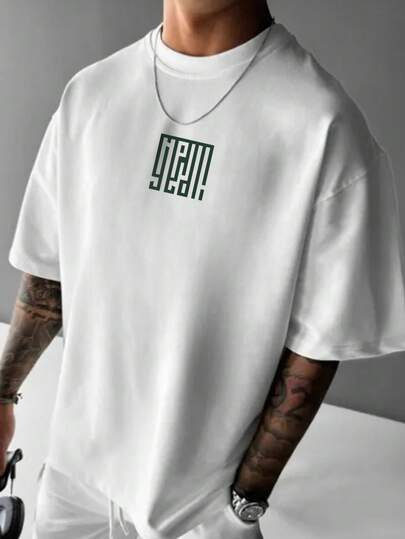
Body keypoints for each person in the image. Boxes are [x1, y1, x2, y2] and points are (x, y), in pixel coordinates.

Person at [1, 0, 405, 538]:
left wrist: (242, 505)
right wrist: (3, 395)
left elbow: (316, 347)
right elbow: (50, 275)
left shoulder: (322, 126)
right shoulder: (91, 94)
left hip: (200, 515)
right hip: (73, 487)